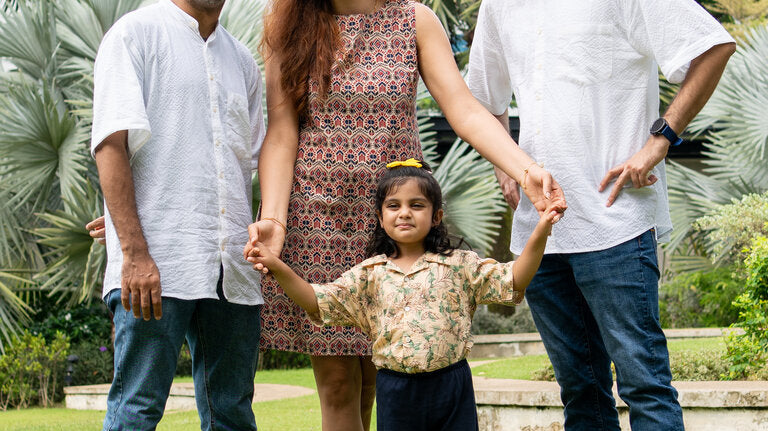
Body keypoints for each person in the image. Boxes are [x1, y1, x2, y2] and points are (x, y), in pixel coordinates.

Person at [246, 0, 567, 429]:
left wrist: (525, 171)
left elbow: (464, 109)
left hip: (398, 220)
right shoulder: (288, 22)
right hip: (318, 220)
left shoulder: (414, 19)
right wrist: (274, 219)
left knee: (382, 376)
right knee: (338, 384)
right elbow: (282, 129)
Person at [466, 1, 735, 430]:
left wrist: (661, 139)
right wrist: (506, 166)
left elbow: (713, 46)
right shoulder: (499, 5)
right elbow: (481, 99)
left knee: (645, 386)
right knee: (580, 392)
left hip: (616, 219)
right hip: (541, 231)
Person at [248, 161, 558, 430]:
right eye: (394, 206)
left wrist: (541, 229)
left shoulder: (460, 266)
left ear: (436, 216)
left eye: (417, 205)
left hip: (452, 386)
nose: (405, 213)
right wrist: (277, 266)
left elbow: (515, 278)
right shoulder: (368, 275)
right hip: (396, 390)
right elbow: (317, 300)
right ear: (380, 217)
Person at [90, 0, 265, 429]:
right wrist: (133, 249)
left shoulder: (242, 61)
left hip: (233, 268)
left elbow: (250, 161)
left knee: (233, 414)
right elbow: (110, 144)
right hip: (157, 261)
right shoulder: (134, 34)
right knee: (137, 409)